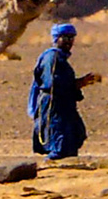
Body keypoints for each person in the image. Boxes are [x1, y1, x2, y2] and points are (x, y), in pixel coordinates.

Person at [28, 22, 101, 159]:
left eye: (71, 38)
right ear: (56, 39)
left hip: (65, 104)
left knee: (74, 136)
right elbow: (53, 84)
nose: (69, 42)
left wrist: (81, 83)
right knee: (59, 142)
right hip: (54, 105)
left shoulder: (61, 58)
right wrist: (77, 84)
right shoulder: (52, 58)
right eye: (65, 38)